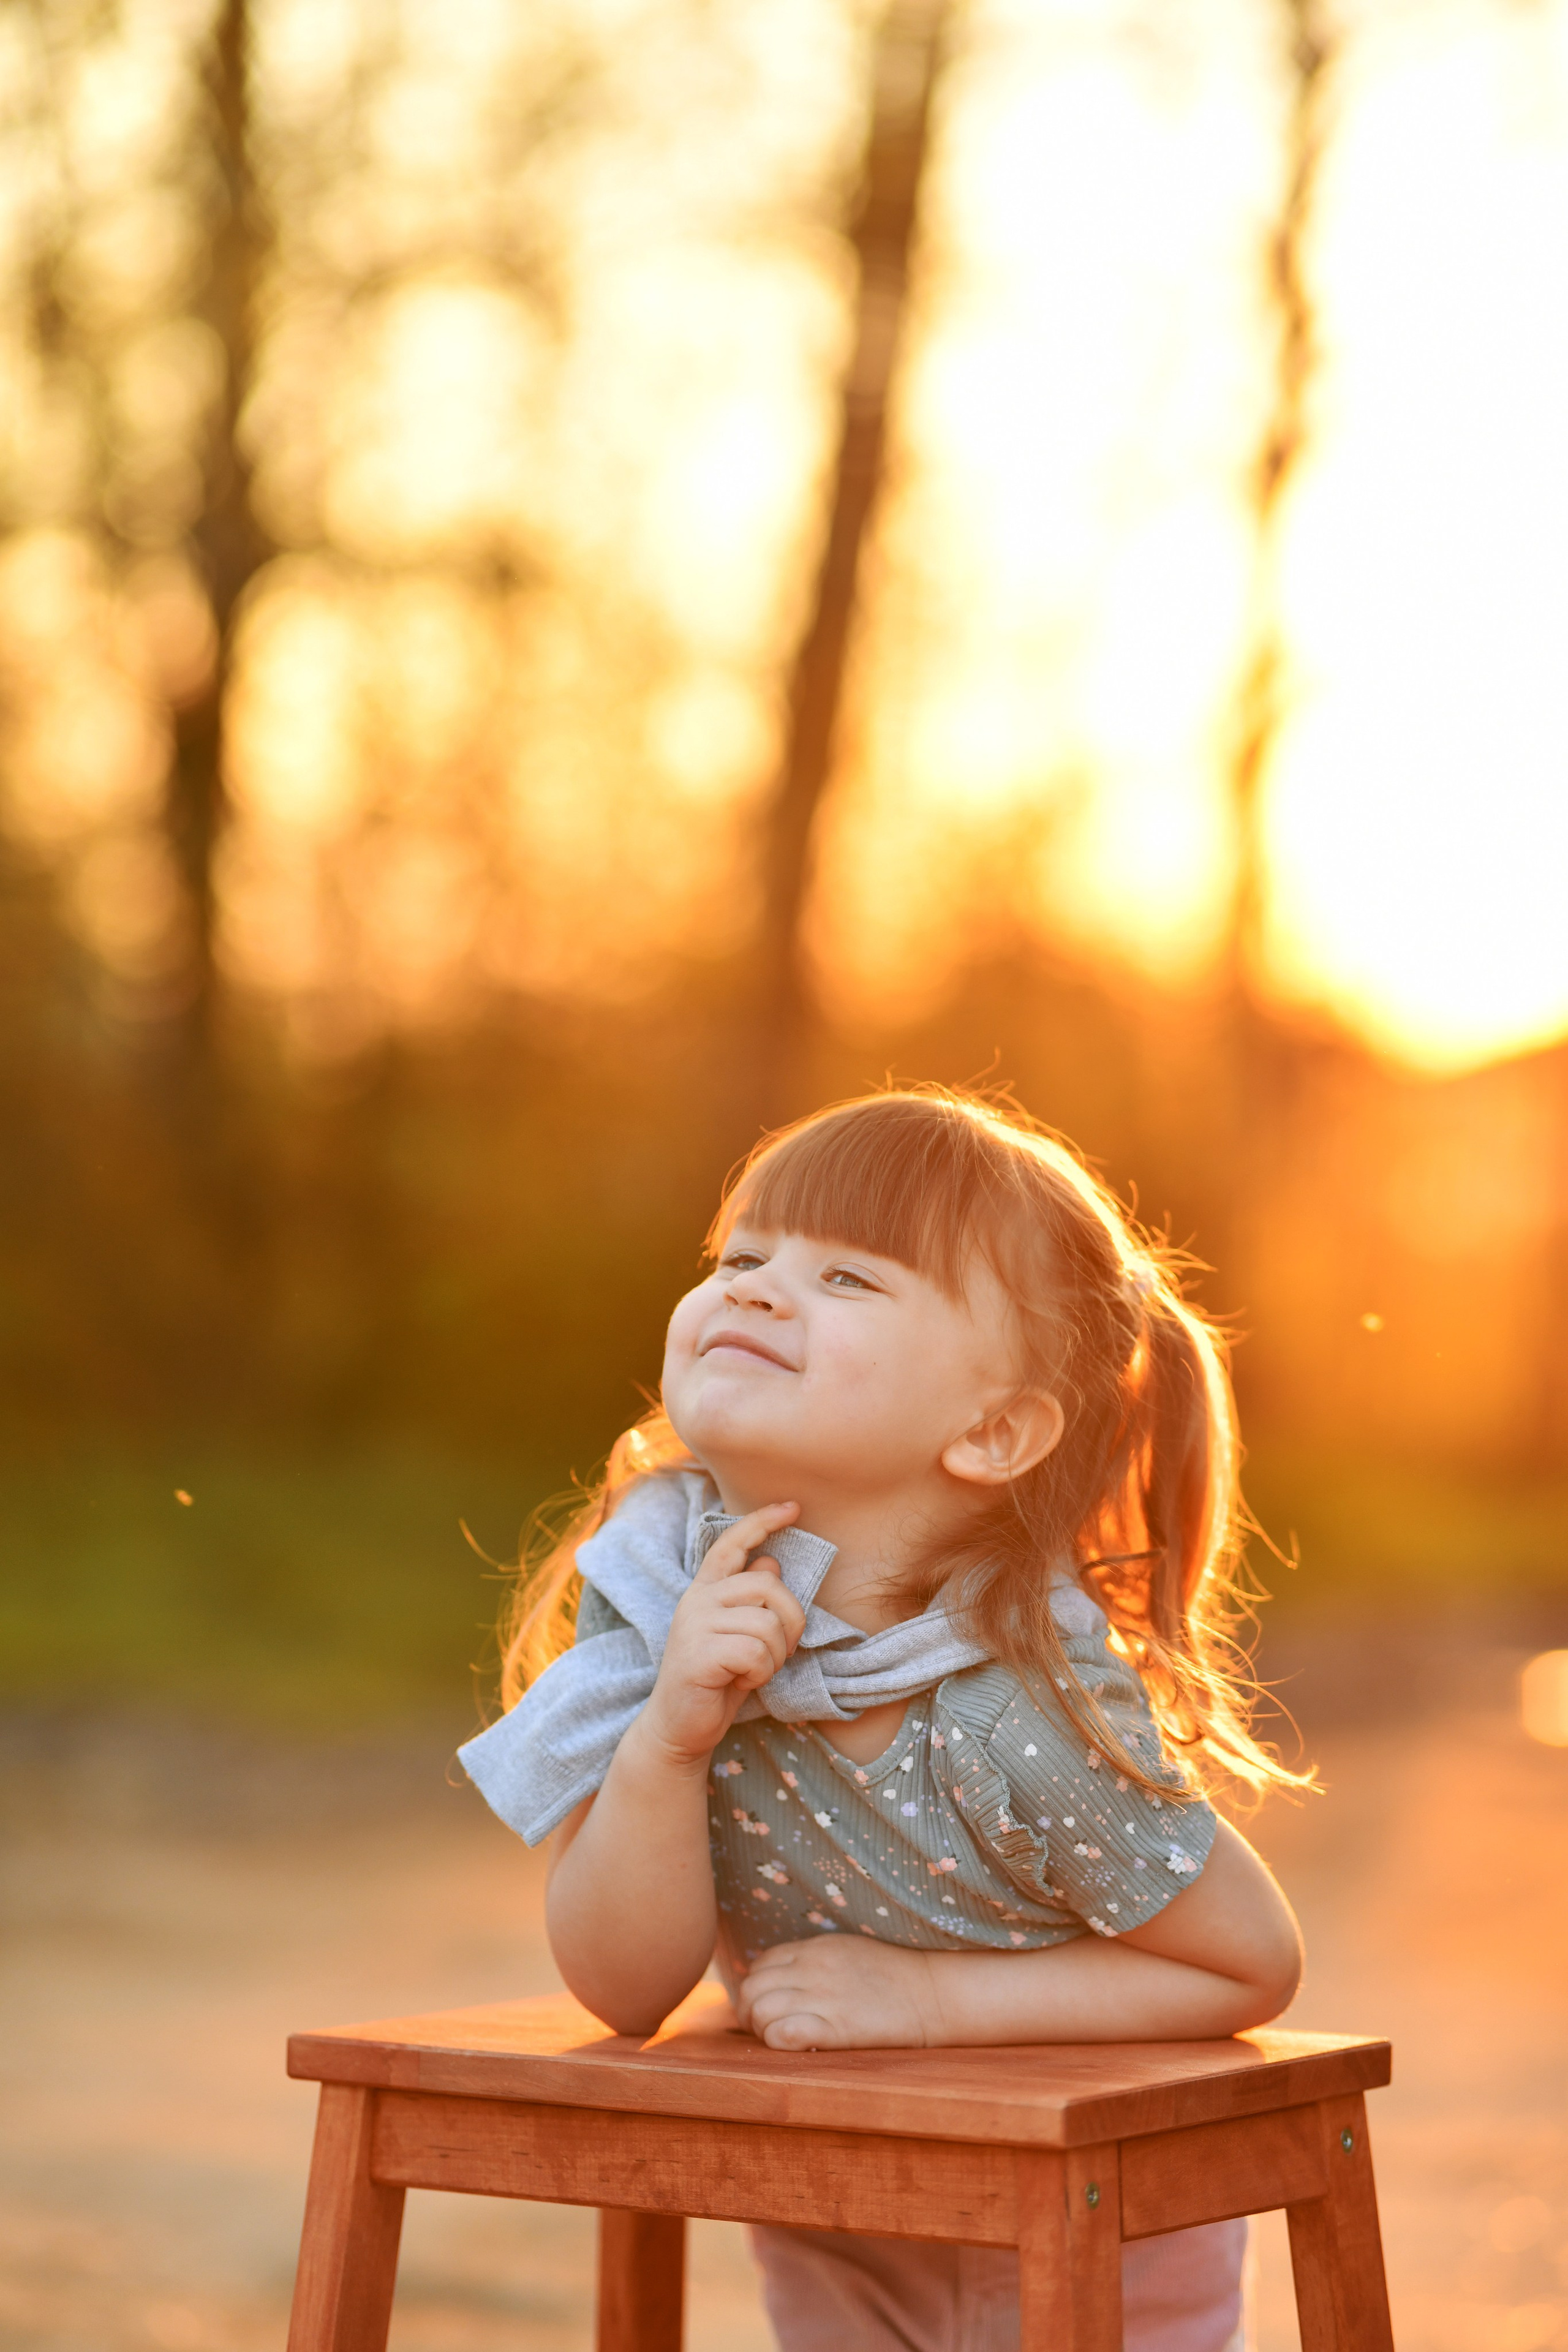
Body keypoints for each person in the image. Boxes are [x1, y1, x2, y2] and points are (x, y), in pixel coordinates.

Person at [461, 1087, 1308, 2352]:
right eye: (740, 1259)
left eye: (847, 1277)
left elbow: (1247, 1962)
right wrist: (669, 1739)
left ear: (993, 1430)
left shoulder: (1013, 1703)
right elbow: (623, 1991)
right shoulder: (657, 1604)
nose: (755, 1291)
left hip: (1093, 2228)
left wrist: (927, 2000)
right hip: (846, 2210)